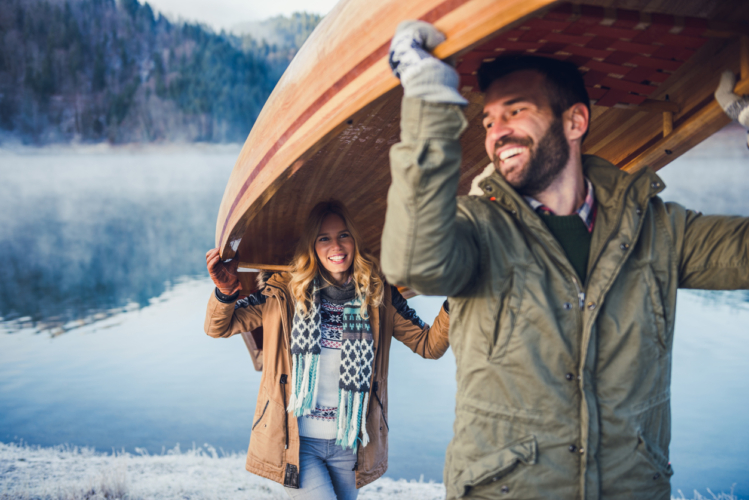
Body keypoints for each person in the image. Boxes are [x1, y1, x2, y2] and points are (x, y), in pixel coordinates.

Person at [382, 21, 749, 500]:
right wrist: (429, 105)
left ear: (575, 121)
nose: (496, 132)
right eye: (489, 120)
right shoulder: (476, 229)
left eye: (516, 111)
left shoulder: (658, 230)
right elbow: (413, 262)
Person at [204, 200, 450, 499]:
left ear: (355, 240)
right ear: (312, 246)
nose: (337, 245)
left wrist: (456, 302)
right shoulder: (282, 294)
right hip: (296, 443)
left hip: (351, 442)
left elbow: (429, 345)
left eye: (344, 235)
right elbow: (219, 327)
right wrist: (225, 292)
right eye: (324, 238)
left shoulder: (378, 294)